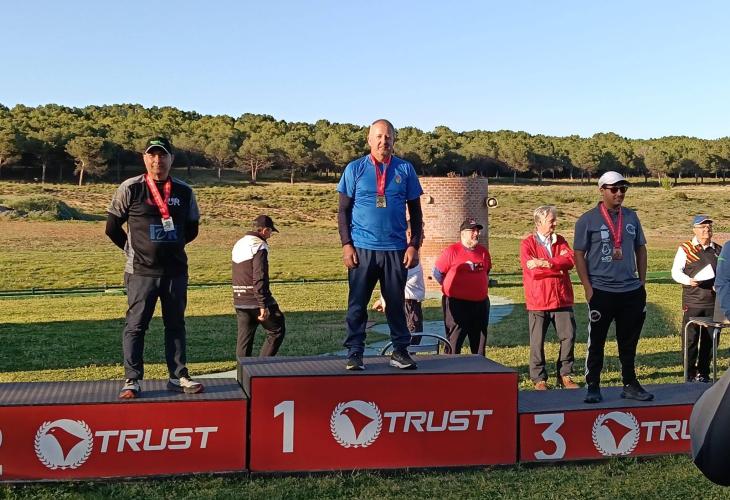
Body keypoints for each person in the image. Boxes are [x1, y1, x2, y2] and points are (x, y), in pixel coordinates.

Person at [106, 137, 203, 399]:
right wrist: (132, 249)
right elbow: (112, 228)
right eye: (152, 155)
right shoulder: (131, 187)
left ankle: (178, 375)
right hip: (140, 272)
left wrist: (171, 247)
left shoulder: (184, 191)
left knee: (176, 324)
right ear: (144, 158)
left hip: (175, 272)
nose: (157, 160)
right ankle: (132, 379)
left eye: (162, 155)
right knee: (136, 326)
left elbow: (192, 229)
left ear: (171, 159)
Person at [337, 119, 424, 371]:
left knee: (396, 303)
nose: (383, 141)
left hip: (396, 249)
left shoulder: (405, 169)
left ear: (394, 140)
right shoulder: (354, 169)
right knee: (357, 304)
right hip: (362, 248)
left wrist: (413, 245)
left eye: (388, 137)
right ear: (369, 139)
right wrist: (346, 244)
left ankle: (400, 351)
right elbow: (343, 211)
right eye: (378, 136)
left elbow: (416, 213)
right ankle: (355, 352)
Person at [574, 171, 652, 404]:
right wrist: (587, 287)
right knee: (597, 340)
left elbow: (641, 249)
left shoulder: (632, 217)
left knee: (629, 342)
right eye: (614, 189)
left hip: (630, 291)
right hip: (601, 290)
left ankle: (630, 384)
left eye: (623, 189)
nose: (619, 193)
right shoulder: (587, 220)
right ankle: (593, 385)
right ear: (602, 190)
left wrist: (641, 282)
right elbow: (579, 254)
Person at [520, 206, 579, 390]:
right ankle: (539, 378)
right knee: (537, 341)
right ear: (539, 222)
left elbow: (570, 261)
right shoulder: (527, 244)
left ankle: (565, 374)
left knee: (569, 336)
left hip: (561, 298)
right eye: (551, 220)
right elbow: (532, 271)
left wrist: (546, 263)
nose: (555, 223)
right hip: (539, 300)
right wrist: (557, 268)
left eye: (555, 219)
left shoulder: (560, 240)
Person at [671, 215, 721, 383]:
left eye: (709, 227)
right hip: (693, 300)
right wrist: (688, 280)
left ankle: (704, 372)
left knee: (710, 339)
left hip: (713, 301)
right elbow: (676, 272)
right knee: (691, 338)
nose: (706, 230)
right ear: (694, 230)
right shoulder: (686, 249)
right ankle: (689, 373)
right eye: (702, 227)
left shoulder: (718, 250)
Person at [433, 218, 491, 356]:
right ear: (463, 233)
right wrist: (450, 287)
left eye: (477, 231)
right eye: (473, 231)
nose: (476, 234)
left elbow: (487, 271)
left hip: (480, 304)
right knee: (454, 340)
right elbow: (437, 273)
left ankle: (479, 365)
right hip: (457, 304)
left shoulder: (483, 252)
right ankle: (451, 365)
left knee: (479, 341)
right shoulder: (452, 251)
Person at [232, 214, 286, 358]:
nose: (270, 235)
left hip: (239, 298)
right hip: (255, 298)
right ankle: (261, 366)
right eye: (270, 231)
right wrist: (263, 304)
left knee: (244, 341)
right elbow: (259, 275)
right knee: (276, 330)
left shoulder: (239, 243)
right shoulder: (259, 246)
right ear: (264, 230)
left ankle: (243, 370)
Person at [372, 221, 426, 345]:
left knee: (413, 337)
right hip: (408, 304)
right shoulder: (407, 256)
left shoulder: (410, 253)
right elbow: (393, 280)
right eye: (422, 233)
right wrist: (384, 300)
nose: (424, 236)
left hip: (411, 303)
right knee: (412, 338)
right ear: (410, 234)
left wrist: (382, 300)